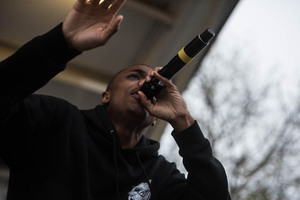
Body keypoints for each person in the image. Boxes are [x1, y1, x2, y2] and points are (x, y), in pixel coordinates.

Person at [0, 0, 231, 199]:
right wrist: (61, 43)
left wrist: (184, 122)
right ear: (105, 96)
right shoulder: (56, 120)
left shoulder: (159, 175)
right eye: (134, 76)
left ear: (154, 121)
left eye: (153, 82)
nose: (144, 83)